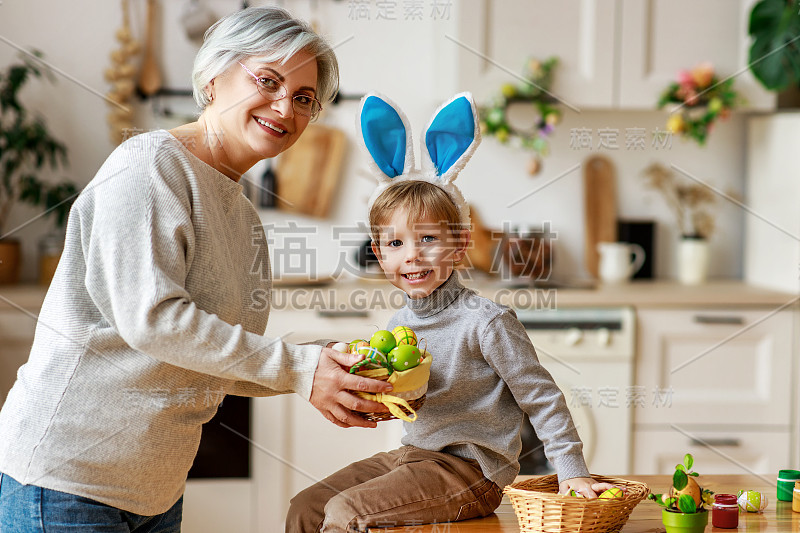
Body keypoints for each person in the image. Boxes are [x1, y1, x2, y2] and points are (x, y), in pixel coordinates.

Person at [0, 7, 391, 532]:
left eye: (303, 98)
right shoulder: (149, 167)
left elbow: (211, 359)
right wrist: (299, 369)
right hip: (67, 481)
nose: (285, 107)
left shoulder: (242, 213)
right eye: (268, 80)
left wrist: (321, 370)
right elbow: (153, 321)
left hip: (155, 489)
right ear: (212, 78)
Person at [285, 93, 614, 532]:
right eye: (396, 244)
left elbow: (541, 396)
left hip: (472, 472)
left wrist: (572, 470)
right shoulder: (399, 325)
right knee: (306, 507)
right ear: (380, 256)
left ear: (459, 246)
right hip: (414, 455)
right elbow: (415, 400)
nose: (412, 257)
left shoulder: (486, 322)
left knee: (349, 513)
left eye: (428, 240)